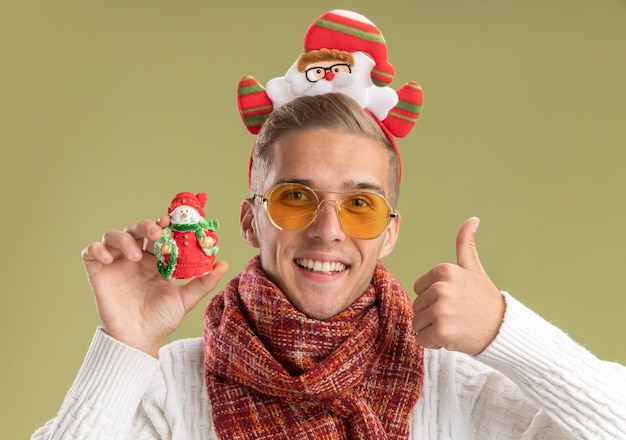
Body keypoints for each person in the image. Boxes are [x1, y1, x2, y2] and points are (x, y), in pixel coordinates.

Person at [32, 92, 626, 440]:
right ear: (248, 221)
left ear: (390, 232)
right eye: (296, 197)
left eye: (361, 205)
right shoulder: (170, 390)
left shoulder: (453, 389)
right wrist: (126, 343)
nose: (329, 229)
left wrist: (505, 332)